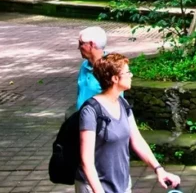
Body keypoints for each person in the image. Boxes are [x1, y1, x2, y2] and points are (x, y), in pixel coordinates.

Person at [78, 53, 179, 193]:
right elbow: (86, 161)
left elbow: (137, 140)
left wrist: (159, 170)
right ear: (115, 78)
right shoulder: (90, 111)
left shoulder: (123, 103)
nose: (131, 75)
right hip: (94, 187)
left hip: (122, 185)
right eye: (128, 72)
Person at [75, 26, 108, 114]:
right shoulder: (84, 65)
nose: (78, 47)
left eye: (81, 43)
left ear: (91, 44)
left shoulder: (110, 68)